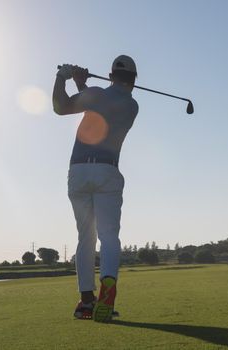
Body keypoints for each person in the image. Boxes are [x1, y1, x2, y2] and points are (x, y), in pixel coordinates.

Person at [52, 55, 138, 321]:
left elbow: (60, 107)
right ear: (133, 80)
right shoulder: (131, 105)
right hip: (107, 171)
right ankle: (107, 293)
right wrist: (82, 85)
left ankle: (85, 302)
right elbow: (102, 109)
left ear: (110, 75)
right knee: (109, 235)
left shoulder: (96, 94)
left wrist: (62, 78)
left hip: (78, 171)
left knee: (85, 238)